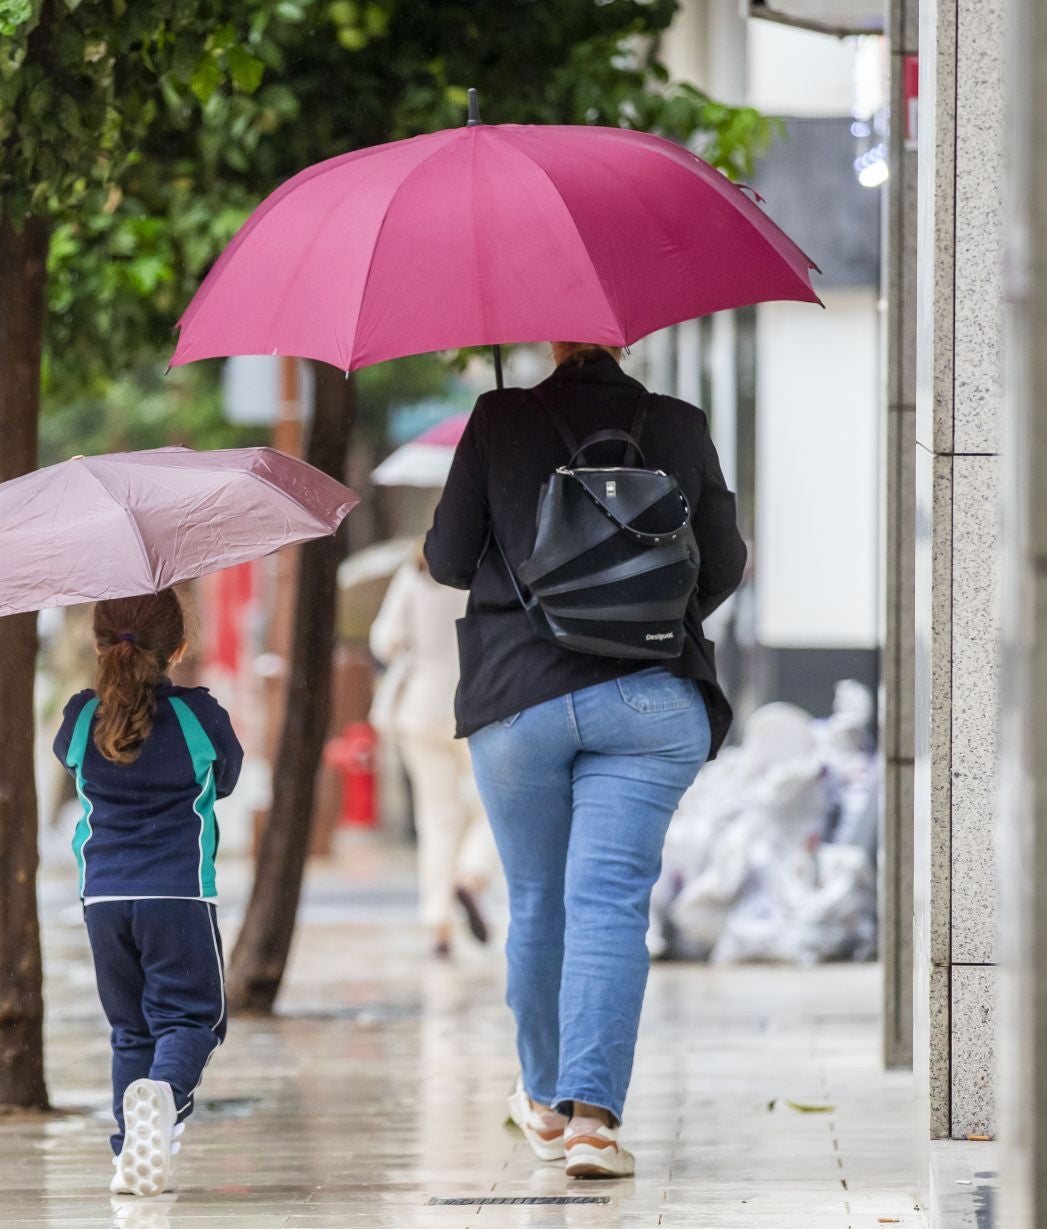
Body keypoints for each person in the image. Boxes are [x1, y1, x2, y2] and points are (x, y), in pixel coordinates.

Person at [423, 342, 747, 1180]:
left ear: (546, 340)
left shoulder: (501, 416)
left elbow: (449, 559)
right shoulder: (678, 423)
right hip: (648, 696)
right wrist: (646, 613)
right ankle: (594, 1125)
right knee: (608, 902)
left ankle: (542, 1098)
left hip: (518, 695)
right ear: (623, 336)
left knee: (537, 901)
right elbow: (727, 562)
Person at [51, 590, 244, 1199]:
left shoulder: (82, 717)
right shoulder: (198, 715)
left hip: (103, 899)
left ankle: (130, 1154)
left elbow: (71, 763)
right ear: (178, 648)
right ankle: (162, 1096)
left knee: (129, 1030)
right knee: (193, 1017)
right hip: (179, 894)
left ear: (97, 643)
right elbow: (229, 778)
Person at [370, 548, 498, 957]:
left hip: (421, 709)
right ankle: (473, 873)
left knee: (436, 818)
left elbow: (384, 640)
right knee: (494, 804)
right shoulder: (484, 572)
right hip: (476, 705)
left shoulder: (413, 574)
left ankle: (438, 923)